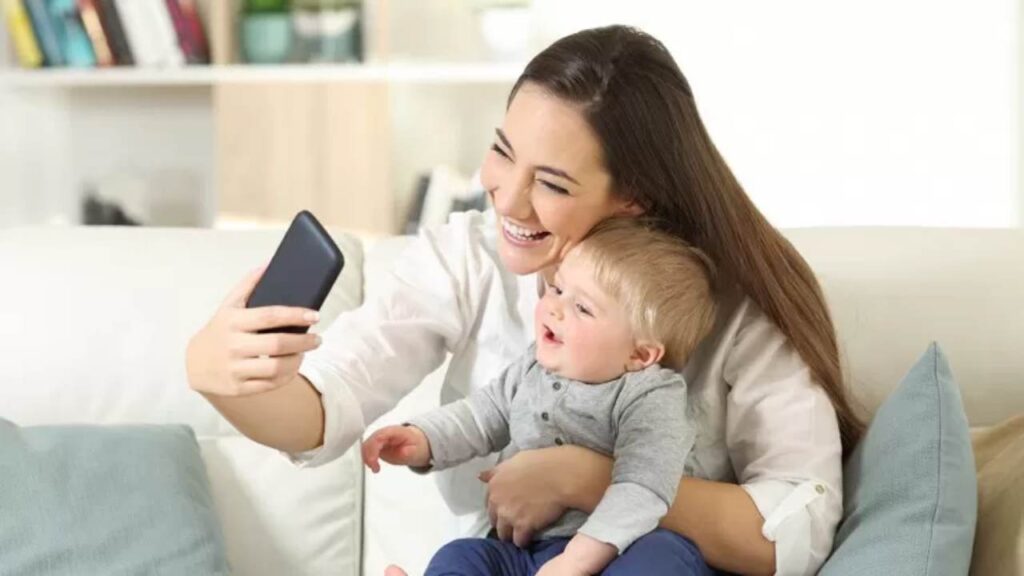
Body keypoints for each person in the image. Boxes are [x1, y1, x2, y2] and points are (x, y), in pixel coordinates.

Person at [186, 25, 863, 575]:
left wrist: (584, 478)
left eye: (553, 183)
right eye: (502, 152)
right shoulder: (469, 259)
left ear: (636, 199)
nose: (505, 198)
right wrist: (226, 378)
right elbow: (327, 408)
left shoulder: (735, 308)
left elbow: (795, 527)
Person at [362, 218, 717, 576]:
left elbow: (644, 487)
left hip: (619, 551)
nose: (555, 308)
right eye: (557, 288)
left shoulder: (651, 395)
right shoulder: (534, 365)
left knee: (665, 556)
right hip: (526, 551)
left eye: (583, 308)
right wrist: (422, 439)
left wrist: (575, 562)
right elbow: (483, 414)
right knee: (462, 556)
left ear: (640, 356)